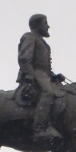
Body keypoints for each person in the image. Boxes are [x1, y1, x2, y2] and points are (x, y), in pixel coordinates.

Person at [17, 13, 65, 143]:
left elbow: (44, 66)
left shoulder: (41, 40)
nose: (48, 26)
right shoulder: (30, 37)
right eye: (45, 23)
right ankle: (39, 129)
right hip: (36, 74)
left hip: (43, 75)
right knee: (48, 92)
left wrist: (54, 75)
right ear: (37, 24)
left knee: (61, 93)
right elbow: (24, 58)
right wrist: (29, 75)